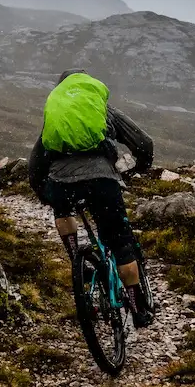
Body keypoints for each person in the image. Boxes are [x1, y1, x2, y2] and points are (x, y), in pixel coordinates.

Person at [28, 69, 155, 328]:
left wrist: (43, 191)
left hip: (62, 183)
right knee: (120, 241)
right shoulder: (102, 110)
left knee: (63, 211)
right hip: (101, 182)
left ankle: (76, 258)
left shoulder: (57, 115)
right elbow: (143, 143)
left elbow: (37, 161)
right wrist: (140, 166)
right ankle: (137, 308)